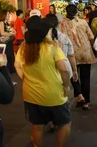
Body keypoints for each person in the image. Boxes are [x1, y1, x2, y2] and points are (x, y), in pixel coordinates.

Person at [15, 18, 71, 147]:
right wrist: (66, 85)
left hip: (31, 95)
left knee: (37, 127)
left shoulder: (24, 48)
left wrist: (25, 78)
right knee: (64, 123)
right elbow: (64, 69)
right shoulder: (52, 48)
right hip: (54, 95)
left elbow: (17, 65)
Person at [60, 4, 96, 110]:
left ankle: (80, 97)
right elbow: (91, 37)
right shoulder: (83, 22)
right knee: (85, 77)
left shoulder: (63, 24)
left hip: (71, 53)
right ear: (77, 12)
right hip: (85, 51)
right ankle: (86, 100)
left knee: (74, 76)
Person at [0, 10, 16, 74]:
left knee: (10, 56)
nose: (9, 16)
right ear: (4, 15)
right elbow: (2, 33)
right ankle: (6, 71)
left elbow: (11, 31)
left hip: (8, 42)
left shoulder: (7, 23)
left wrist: (13, 32)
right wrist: (11, 34)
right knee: (5, 56)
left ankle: (10, 71)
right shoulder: (2, 23)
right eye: (7, 14)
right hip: (4, 43)